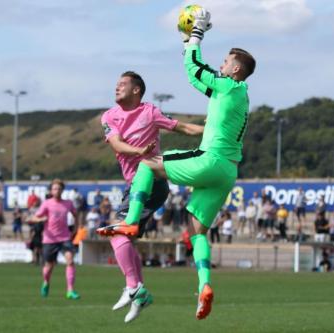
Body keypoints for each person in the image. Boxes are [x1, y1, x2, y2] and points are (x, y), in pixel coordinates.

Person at [99, 9, 255, 320]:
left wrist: (195, 36)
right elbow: (204, 71)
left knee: (147, 164)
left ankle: (130, 221)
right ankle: (204, 287)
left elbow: (194, 70)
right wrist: (187, 41)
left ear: (236, 69)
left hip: (210, 161)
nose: (221, 65)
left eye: (226, 62)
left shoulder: (228, 86)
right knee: (196, 232)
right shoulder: (238, 93)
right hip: (227, 172)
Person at [94, 69, 204, 324]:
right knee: (123, 239)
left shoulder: (150, 111)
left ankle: (134, 288)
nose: (116, 87)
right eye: (116, 83)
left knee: (119, 233)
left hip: (152, 182)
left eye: (122, 84)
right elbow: (117, 144)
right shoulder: (109, 116)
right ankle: (137, 290)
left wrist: (211, 125)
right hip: (134, 184)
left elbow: (183, 128)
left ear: (136, 90)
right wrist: (138, 150)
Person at [29, 179, 80, 300]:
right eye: (55, 188)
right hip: (49, 239)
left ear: (62, 190)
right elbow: (34, 218)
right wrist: (41, 219)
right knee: (49, 266)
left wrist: (75, 229)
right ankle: (46, 282)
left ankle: (70, 290)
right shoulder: (46, 203)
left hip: (65, 237)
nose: (57, 191)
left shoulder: (68, 203)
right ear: (51, 191)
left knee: (70, 260)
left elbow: (75, 215)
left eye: (59, 188)